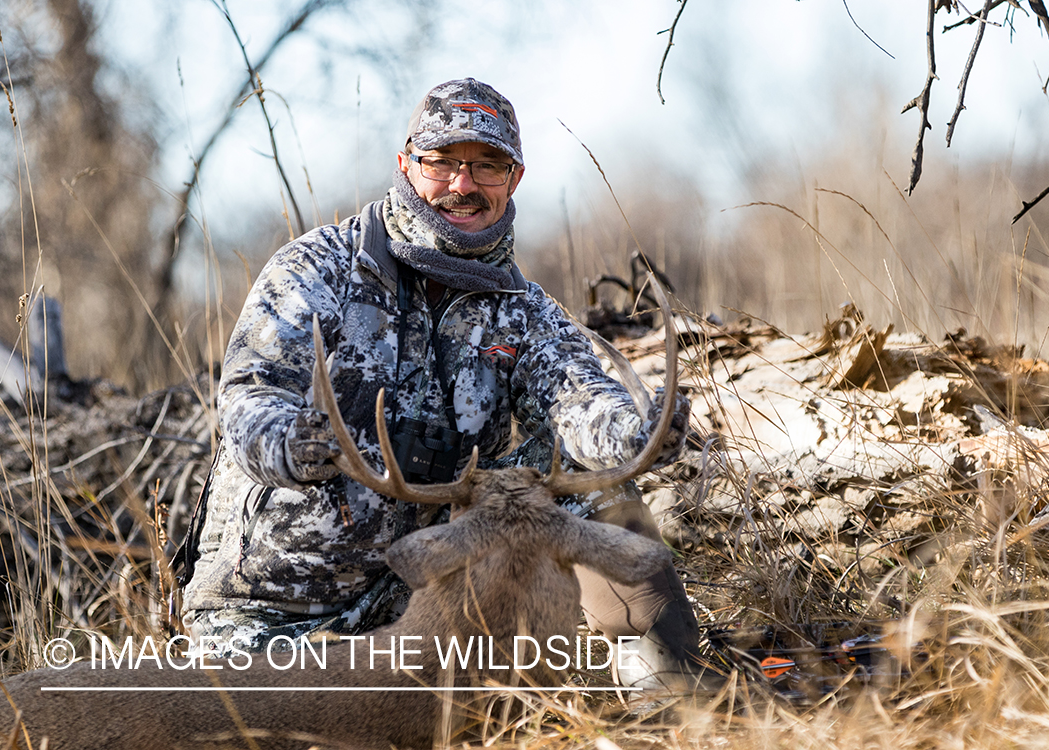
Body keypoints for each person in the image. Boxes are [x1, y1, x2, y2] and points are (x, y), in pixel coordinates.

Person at [178, 78, 715, 691]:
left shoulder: (521, 308)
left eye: (487, 166)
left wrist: (632, 436)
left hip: (422, 591)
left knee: (579, 486)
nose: (463, 186)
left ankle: (665, 690)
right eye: (443, 162)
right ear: (406, 166)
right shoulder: (317, 269)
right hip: (273, 611)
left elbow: (578, 398)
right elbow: (248, 403)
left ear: (514, 179)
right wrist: (290, 444)